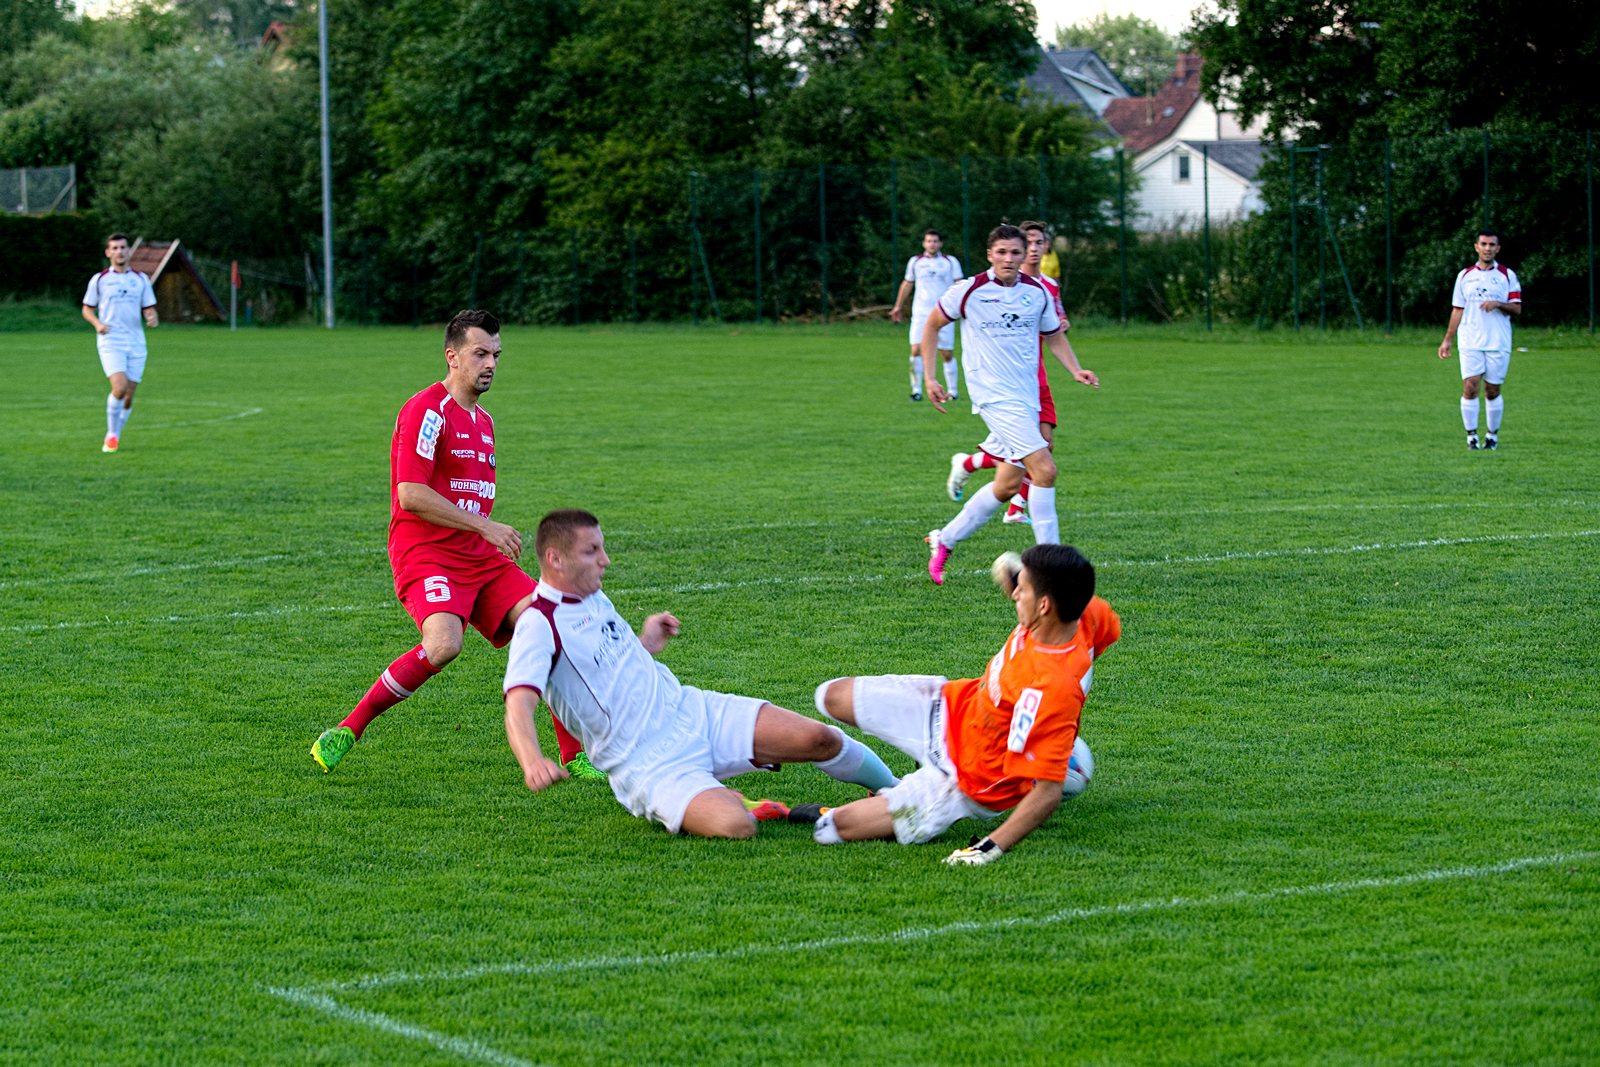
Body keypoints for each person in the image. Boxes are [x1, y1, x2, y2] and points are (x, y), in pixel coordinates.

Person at [310, 310, 593, 778]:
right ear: (452, 356)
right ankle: (348, 729)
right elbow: (410, 494)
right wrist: (484, 527)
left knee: (549, 626)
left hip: (479, 558)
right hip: (427, 553)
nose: (491, 364)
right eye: (480, 354)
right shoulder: (427, 411)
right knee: (443, 645)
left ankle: (572, 754)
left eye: (496, 355)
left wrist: (481, 533)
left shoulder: (485, 421)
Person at [503, 509, 901, 839]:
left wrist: (645, 642)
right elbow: (518, 704)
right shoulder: (538, 623)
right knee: (735, 826)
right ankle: (747, 805)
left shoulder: (592, 595)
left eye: (602, 548)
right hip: (646, 762)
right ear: (556, 559)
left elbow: (605, 667)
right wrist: (532, 761)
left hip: (692, 712)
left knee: (819, 738)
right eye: (592, 551)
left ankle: (898, 791)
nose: (605, 560)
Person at [796, 544, 1120, 865]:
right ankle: (891, 787)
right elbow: (1095, 636)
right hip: (951, 707)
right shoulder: (1086, 612)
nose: (1015, 593)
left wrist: (989, 848)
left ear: (1045, 605)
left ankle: (906, 798)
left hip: (966, 781)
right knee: (830, 696)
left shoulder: (1050, 691)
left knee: (831, 828)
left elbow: (1047, 792)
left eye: (1022, 588)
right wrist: (1018, 579)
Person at [920, 224, 1098, 583]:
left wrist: (1075, 369)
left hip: (1026, 397)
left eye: (1015, 252)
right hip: (993, 397)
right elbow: (932, 325)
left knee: (1007, 485)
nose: (1009, 258)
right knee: (1045, 469)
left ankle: (945, 538)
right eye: (1001, 252)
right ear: (990, 254)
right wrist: (930, 377)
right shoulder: (968, 290)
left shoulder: (1037, 291)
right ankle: (1051, 567)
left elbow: (1054, 335)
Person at [946, 220, 1064, 525]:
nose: (1034, 249)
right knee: (1040, 459)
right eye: (1030, 243)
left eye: (1039, 243)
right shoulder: (980, 289)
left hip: (1034, 380)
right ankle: (1021, 515)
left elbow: (1055, 330)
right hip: (998, 386)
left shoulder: (1047, 288)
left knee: (1031, 456)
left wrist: (1075, 365)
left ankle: (973, 472)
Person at [1438, 229, 1521, 450]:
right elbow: (1457, 309)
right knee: (1470, 387)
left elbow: (1517, 308)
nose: (1487, 248)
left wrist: (1498, 304)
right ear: (1476, 247)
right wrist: (1447, 340)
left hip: (1498, 341)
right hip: (1470, 340)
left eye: (1492, 245)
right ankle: (1471, 437)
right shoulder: (1465, 276)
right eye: (1483, 244)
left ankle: (1492, 437)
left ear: (1498, 248)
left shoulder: (1507, 275)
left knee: (1492, 390)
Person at [81, 233, 158, 453]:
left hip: (136, 341)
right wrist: (97, 324)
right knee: (120, 387)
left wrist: (152, 317)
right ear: (108, 253)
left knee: (129, 395)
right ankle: (111, 435)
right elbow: (87, 308)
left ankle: (116, 434)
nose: (119, 251)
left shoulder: (141, 279)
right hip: (111, 340)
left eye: (123, 247)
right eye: (114, 248)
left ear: (129, 251)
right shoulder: (100, 279)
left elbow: (149, 307)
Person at [891, 229, 963, 402]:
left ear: (940, 243)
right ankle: (916, 390)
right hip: (921, 313)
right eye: (929, 241)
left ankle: (952, 391)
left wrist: (962, 307)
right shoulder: (916, 262)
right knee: (916, 349)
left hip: (944, 313)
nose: (932, 244)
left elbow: (960, 285)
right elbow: (907, 283)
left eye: (935, 241)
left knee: (946, 352)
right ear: (924, 243)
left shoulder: (950, 262)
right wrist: (898, 306)